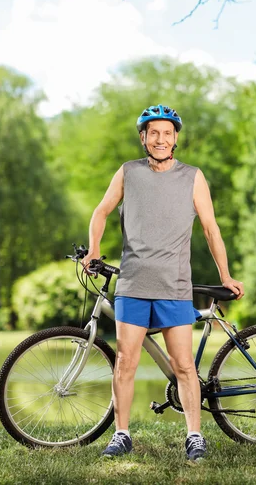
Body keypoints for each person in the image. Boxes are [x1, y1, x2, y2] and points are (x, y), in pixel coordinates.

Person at [83, 104, 244, 462]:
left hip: (174, 286)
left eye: (167, 133)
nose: (160, 139)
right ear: (143, 138)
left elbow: (210, 228)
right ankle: (122, 434)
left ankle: (195, 436)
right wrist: (94, 248)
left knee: (184, 365)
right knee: (125, 361)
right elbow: (101, 211)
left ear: (175, 139)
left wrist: (225, 275)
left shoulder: (192, 177)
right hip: (133, 284)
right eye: (153, 133)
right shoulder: (128, 173)